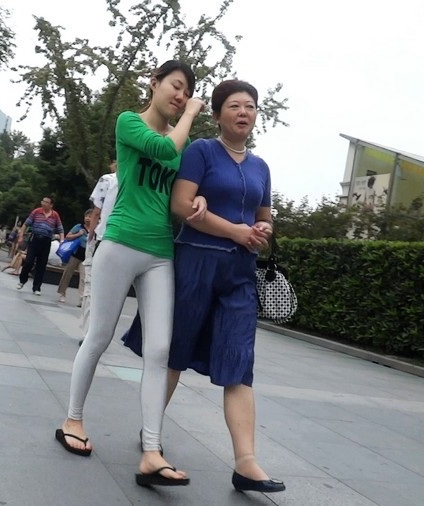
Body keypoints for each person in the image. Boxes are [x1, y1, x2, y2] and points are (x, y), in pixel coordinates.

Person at [121, 80, 284, 493]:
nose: (244, 112)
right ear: (216, 115)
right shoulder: (201, 152)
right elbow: (180, 205)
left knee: (239, 361)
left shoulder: (261, 167)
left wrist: (262, 229)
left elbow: (264, 216)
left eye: (250, 106)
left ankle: (246, 462)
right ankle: (152, 435)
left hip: (239, 274)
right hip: (195, 264)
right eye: (234, 106)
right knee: (174, 354)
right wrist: (234, 231)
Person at [56, 60, 207, 488]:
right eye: (176, 86)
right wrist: (192, 113)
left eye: (187, 91)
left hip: (160, 252)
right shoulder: (129, 122)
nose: (181, 96)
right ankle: (73, 419)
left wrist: (199, 203)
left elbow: (181, 193)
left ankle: (152, 452)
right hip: (120, 242)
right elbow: (164, 150)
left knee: (160, 350)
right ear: (154, 84)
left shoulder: (181, 139)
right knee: (98, 336)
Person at [81, 160, 119, 332]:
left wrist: (91, 235)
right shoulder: (134, 181)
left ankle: (88, 330)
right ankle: (102, 329)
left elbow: (96, 212)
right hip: (124, 239)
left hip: (103, 236)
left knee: (93, 285)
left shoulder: (108, 179)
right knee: (111, 290)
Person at [16, 196, 64, 296]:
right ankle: (22, 280)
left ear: (51, 205)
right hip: (35, 239)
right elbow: (26, 224)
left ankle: (37, 287)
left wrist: (62, 240)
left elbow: (60, 229)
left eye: (46, 202)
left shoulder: (55, 215)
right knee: (28, 261)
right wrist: (21, 236)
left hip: (46, 241)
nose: (43, 203)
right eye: (43, 201)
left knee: (41, 265)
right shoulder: (36, 212)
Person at [56, 210, 92, 304]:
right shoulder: (78, 227)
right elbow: (68, 236)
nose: (87, 218)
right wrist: (78, 234)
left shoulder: (94, 229)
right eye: (86, 216)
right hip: (75, 254)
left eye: (90, 216)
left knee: (84, 277)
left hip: (85, 257)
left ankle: (81, 298)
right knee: (67, 274)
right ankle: (62, 293)